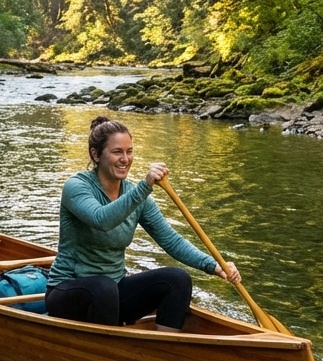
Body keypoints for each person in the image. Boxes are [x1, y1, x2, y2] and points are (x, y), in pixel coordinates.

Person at [45, 116, 241, 329]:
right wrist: (145, 186)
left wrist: (213, 265)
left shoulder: (136, 196)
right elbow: (101, 219)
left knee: (177, 279)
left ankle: (164, 349)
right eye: (117, 152)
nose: (125, 159)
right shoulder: (76, 187)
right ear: (96, 154)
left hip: (113, 292)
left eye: (129, 151)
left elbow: (171, 240)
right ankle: (111, 351)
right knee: (104, 287)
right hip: (67, 291)